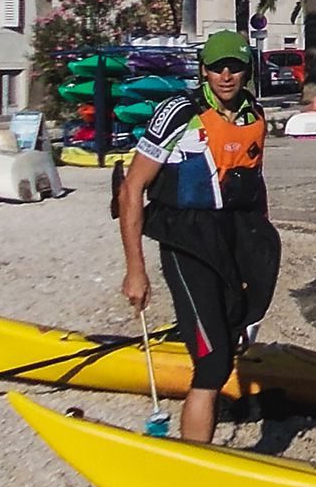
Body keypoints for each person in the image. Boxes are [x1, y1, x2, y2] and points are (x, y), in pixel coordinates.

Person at [117, 29, 280, 442]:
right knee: (211, 364)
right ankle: (195, 460)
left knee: (228, 350)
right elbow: (132, 189)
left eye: (236, 67)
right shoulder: (177, 113)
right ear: (203, 70)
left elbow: (253, 190)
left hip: (232, 237)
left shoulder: (253, 115)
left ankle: (203, 453)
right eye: (217, 67)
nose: (226, 76)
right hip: (185, 238)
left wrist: (255, 257)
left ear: (247, 71)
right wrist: (135, 270)